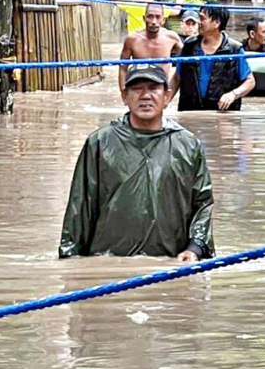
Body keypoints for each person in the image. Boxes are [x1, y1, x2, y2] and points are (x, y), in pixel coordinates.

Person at [59, 63, 215, 260]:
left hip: (170, 264)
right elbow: (80, 206)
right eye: (137, 88)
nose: (145, 96)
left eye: (153, 88)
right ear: (125, 96)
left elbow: (202, 203)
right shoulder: (100, 142)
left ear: (167, 96)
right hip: (109, 264)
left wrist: (195, 248)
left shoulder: (188, 144)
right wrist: (70, 260)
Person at [169, 5, 256, 111]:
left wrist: (233, 94)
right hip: (190, 111)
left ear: (216, 23)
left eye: (202, 18)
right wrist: (164, 101)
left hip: (222, 114)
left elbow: (250, 81)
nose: (199, 22)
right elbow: (177, 77)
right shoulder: (189, 46)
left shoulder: (234, 50)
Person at [118, 2, 182, 91]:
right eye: (150, 16)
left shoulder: (172, 38)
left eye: (158, 17)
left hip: (161, 88)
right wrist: (123, 91)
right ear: (144, 19)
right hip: (138, 86)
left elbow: (187, 60)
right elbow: (122, 68)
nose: (153, 22)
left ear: (163, 20)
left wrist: (172, 88)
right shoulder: (132, 40)